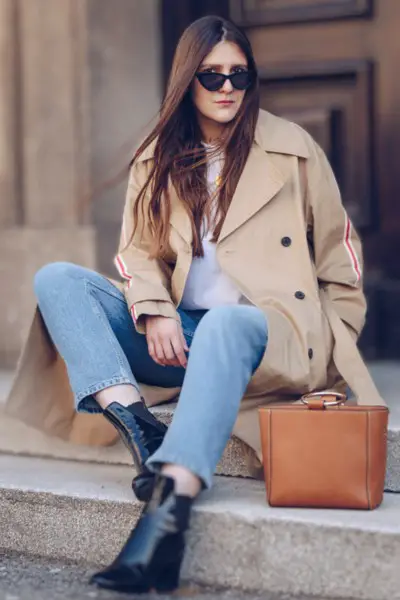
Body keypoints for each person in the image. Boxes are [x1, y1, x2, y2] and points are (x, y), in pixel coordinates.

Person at [27, 14, 367, 594]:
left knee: (227, 323)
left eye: (240, 74)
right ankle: (142, 431)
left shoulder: (292, 151)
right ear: (187, 81)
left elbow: (342, 260)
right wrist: (153, 309)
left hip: (270, 332)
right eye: (212, 76)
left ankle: (166, 517)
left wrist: (332, 345)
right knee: (57, 279)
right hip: (186, 337)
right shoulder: (158, 156)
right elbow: (137, 251)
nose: (228, 87)